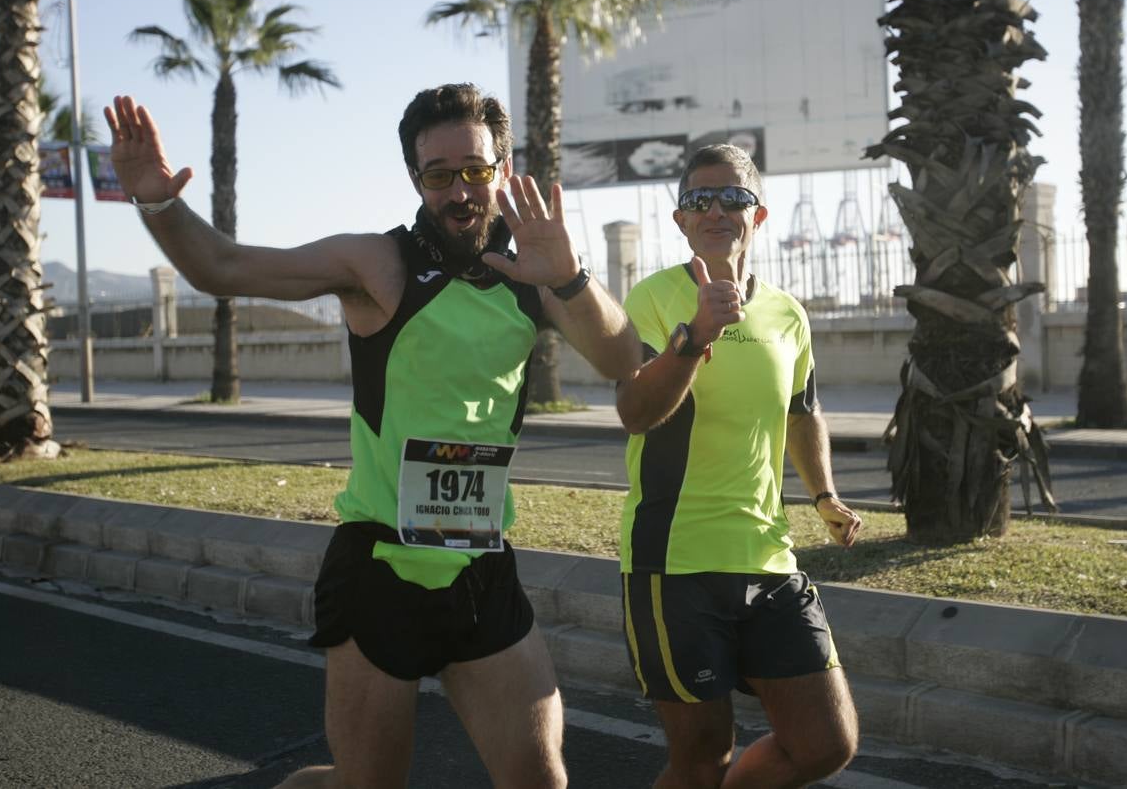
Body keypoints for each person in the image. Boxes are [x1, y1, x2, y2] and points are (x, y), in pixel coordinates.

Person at [103, 85, 641, 789]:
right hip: (381, 566)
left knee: (542, 783)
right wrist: (158, 203)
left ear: (502, 172)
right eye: (438, 174)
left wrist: (569, 277)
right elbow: (222, 267)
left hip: (479, 566)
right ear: (416, 180)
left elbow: (623, 361)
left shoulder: (534, 275)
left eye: (475, 170)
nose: (459, 191)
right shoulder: (376, 264)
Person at [615, 144, 863, 788]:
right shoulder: (652, 297)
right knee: (700, 759)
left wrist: (824, 494)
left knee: (825, 743)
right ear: (680, 219)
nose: (716, 210)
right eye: (700, 200)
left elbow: (803, 412)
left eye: (734, 198)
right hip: (674, 562)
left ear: (759, 215)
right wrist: (694, 336)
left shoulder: (787, 313)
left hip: (769, 557)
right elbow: (636, 409)